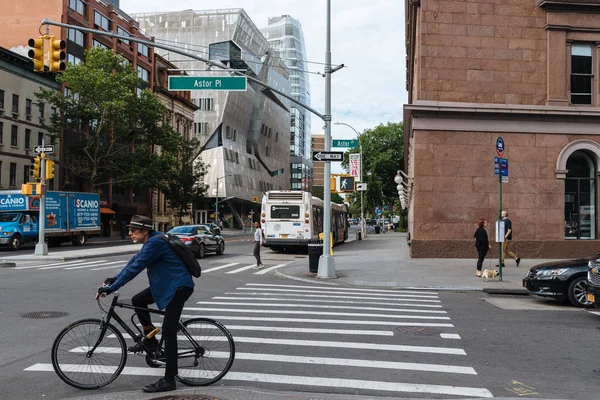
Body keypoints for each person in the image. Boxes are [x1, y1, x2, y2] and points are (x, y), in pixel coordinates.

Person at [96, 215, 194, 393]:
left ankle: (169, 379)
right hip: (168, 284)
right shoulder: (151, 242)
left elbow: (135, 269)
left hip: (179, 287)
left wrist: (111, 289)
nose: (130, 233)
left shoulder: (155, 243)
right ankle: (152, 343)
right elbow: (132, 262)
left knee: (169, 331)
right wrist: (113, 280)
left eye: (134, 230)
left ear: (145, 230)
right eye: (129, 229)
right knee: (138, 300)